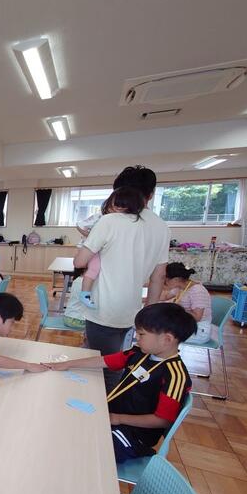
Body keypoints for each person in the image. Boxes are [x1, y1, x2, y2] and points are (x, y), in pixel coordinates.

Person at [45, 303, 195, 463]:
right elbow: (105, 361)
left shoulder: (175, 375)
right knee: (66, 425)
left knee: (86, 452)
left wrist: (118, 418)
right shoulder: (139, 353)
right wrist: (68, 364)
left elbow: (163, 420)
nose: (136, 337)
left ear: (167, 339)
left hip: (133, 435)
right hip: (110, 416)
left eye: (141, 334)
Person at [74, 165, 170, 390]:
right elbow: (159, 276)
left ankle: (105, 408)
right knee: (116, 358)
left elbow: (79, 262)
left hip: (103, 309)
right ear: (150, 194)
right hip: (132, 311)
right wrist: (149, 314)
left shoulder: (110, 221)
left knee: (105, 367)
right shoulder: (162, 227)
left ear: (117, 192)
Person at [78, 187, 147, 309]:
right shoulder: (103, 218)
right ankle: (85, 294)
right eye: (114, 205)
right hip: (93, 250)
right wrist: (91, 236)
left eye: (122, 205)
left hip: (99, 252)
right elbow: (80, 225)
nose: (117, 208)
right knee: (94, 269)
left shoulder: (124, 222)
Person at [164, 262, 212, 344]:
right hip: (185, 325)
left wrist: (176, 308)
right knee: (157, 329)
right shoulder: (180, 287)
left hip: (199, 329)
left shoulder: (197, 290)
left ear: (176, 279)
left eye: (166, 279)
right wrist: (142, 299)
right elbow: (164, 297)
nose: (164, 282)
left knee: (160, 335)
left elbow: (197, 317)